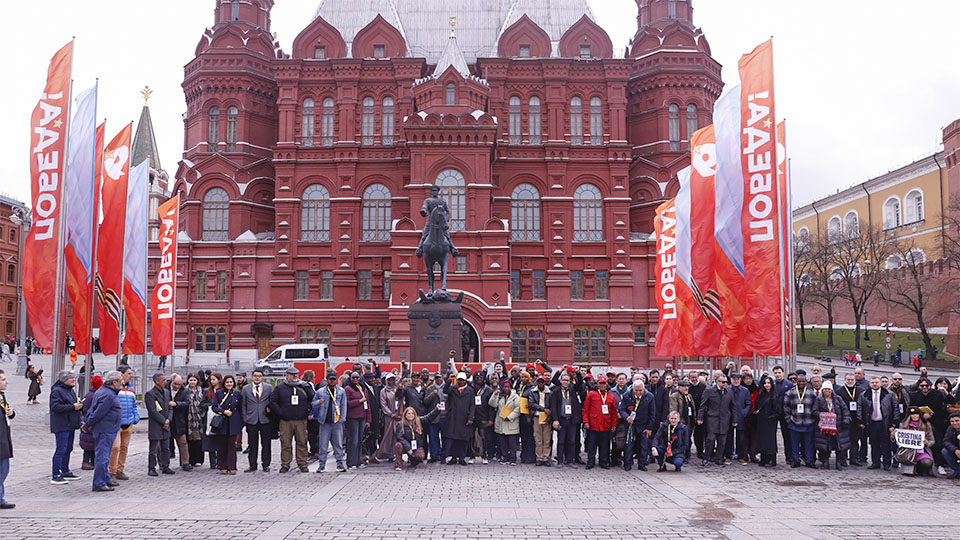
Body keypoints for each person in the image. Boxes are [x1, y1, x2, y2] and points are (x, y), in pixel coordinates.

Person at [269, 367, 315, 473]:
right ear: (287, 375)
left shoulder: (304, 386)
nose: (295, 376)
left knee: (302, 442)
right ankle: (285, 464)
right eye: (292, 374)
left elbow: (312, 398)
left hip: (301, 420)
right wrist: (281, 412)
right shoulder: (280, 388)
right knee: (286, 443)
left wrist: (307, 409)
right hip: (286, 421)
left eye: (296, 374)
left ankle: (303, 464)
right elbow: (272, 401)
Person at [86, 371, 122, 492]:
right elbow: (98, 412)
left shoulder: (104, 391)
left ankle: (105, 478)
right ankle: (99, 483)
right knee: (103, 457)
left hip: (107, 428)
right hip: (105, 429)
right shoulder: (108, 395)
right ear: (114, 382)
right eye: (120, 380)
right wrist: (88, 423)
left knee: (104, 455)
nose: (122, 382)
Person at [857, 376, 900, 470]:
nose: (874, 384)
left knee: (886, 444)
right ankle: (875, 462)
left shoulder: (889, 394)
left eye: (876, 382)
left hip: (885, 422)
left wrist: (895, 421)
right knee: (874, 443)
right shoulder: (864, 395)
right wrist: (860, 421)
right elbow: (859, 408)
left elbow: (895, 408)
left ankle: (886, 463)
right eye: (872, 382)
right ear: (869, 384)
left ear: (880, 383)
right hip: (871, 423)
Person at [49, 370, 83, 485]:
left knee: (68, 448)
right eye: (71, 378)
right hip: (61, 424)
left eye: (74, 377)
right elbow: (55, 406)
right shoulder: (57, 391)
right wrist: (72, 407)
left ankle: (65, 470)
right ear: (64, 379)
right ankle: (55, 474)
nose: (74, 379)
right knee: (61, 449)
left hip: (70, 424)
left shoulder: (70, 390)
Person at [312, 369, 347, 473]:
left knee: (338, 444)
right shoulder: (320, 391)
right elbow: (313, 404)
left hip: (336, 421)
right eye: (330, 379)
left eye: (334, 379)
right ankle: (322, 465)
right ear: (327, 380)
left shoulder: (341, 391)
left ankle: (340, 464)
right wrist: (319, 402)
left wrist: (342, 419)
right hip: (324, 422)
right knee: (323, 445)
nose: (332, 381)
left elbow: (344, 405)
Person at [698, 375, 737, 467]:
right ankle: (706, 458)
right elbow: (702, 405)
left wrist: (735, 420)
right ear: (717, 381)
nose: (725, 384)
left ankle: (718, 458)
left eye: (726, 382)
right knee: (710, 439)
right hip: (712, 419)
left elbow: (733, 407)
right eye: (723, 382)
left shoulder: (729, 392)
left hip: (724, 420)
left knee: (722, 441)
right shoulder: (709, 391)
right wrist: (700, 418)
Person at [109, 365, 140, 481]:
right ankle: (111, 471)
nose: (131, 376)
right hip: (117, 423)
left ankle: (120, 470)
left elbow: (134, 405)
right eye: (129, 373)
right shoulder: (115, 388)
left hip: (129, 422)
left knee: (124, 448)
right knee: (115, 448)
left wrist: (135, 417)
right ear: (121, 375)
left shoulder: (131, 389)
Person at [240, 369, 273, 472]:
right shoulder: (246, 389)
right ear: (252, 377)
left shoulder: (268, 388)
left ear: (262, 377)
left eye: (259, 376)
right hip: (251, 419)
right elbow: (243, 404)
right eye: (255, 376)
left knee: (266, 444)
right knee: (253, 444)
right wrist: (245, 418)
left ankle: (266, 464)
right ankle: (252, 465)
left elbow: (271, 401)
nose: (257, 378)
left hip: (265, 419)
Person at [583, 376, 618, 470]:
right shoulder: (591, 394)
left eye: (604, 384)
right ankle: (591, 461)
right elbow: (586, 409)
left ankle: (603, 461)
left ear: (606, 385)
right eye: (600, 384)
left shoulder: (611, 396)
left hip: (606, 425)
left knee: (605, 445)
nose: (602, 385)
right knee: (592, 445)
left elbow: (614, 412)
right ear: (597, 384)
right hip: (593, 425)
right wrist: (586, 421)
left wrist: (614, 424)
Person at [620, 379, 656, 471]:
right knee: (629, 444)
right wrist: (626, 417)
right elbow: (622, 409)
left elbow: (652, 413)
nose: (638, 392)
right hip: (631, 424)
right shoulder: (627, 395)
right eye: (636, 390)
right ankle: (628, 464)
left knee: (643, 445)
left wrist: (649, 428)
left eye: (640, 390)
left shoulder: (649, 396)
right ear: (633, 389)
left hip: (644, 424)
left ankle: (642, 464)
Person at [144, 373, 176, 477]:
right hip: (156, 424)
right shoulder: (150, 394)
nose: (165, 382)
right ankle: (151, 468)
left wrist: (168, 420)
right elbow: (153, 411)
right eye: (163, 380)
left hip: (166, 423)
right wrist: (163, 421)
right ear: (157, 381)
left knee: (166, 447)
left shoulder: (167, 392)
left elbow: (170, 406)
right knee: (153, 448)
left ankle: (165, 466)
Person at [783, 373, 818, 468]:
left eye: (803, 381)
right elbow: (786, 407)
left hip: (809, 422)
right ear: (796, 381)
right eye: (799, 381)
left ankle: (809, 460)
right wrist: (789, 419)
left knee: (809, 443)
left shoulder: (812, 393)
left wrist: (814, 419)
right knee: (794, 443)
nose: (801, 383)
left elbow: (815, 406)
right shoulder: (790, 393)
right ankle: (796, 460)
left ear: (806, 382)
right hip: (794, 421)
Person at [813, 382, 850, 470]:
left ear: (831, 390)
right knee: (826, 445)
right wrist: (823, 416)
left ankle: (838, 463)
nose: (827, 391)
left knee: (838, 445)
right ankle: (826, 462)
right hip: (825, 427)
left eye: (829, 389)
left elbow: (845, 409)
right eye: (825, 389)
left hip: (838, 426)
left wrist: (845, 419)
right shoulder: (819, 399)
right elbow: (814, 411)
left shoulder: (838, 399)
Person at [442, 371, 476, 466]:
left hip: (464, 418)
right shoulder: (453, 389)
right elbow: (445, 390)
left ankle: (462, 457)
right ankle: (453, 457)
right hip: (453, 418)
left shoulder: (470, 390)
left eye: (462, 380)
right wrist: (449, 380)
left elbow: (472, 405)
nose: (461, 382)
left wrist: (471, 417)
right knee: (453, 439)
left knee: (463, 439)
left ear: (465, 381)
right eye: (459, 380)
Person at [210, 374, 241, 474]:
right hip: (222, 422)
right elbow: (214, 407)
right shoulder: (219, 393)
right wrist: (223, 412)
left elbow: (240, 408)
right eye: (227, 382)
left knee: (232, 445)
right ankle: (222, 466)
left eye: (231, 382)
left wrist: (241, 422)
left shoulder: (237, 393)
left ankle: (232, 467)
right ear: (224, 383)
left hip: (233, 422)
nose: (229, 384)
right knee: (222, 445)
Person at [394, 406, 440, 471]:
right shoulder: (400, 424)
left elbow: (429, 417)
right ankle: (398, 464)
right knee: (398, 445)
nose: (410, 415)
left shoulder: (419, 421)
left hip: (416, 445)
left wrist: (437, 409)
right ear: (405, 415)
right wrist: (408, 448)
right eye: (408, 413)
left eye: (412, 413)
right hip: (405, 445)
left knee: (420, 456)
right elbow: (399, 437)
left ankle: (413, 460)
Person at [549, 372, 579, 467]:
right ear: (561, 381)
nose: (566, 382)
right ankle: (560, 460)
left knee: (572, 441)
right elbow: (553, 407)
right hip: (561, 419)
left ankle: (570, 460)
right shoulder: (556, 391)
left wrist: (577, 373)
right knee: (561, 441)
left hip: (571, 420)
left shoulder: (573, 391)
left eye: (567, 380)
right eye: (564, 380)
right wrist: (555, 419)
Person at [344, 371, 372, 470]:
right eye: (353, 377)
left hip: (362, 417)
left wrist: (368, 419)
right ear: (350, 379)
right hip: (352, 418)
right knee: (353, 441)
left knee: (360, 440)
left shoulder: (363, 388)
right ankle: (351, 462)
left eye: (357, 377)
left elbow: (368, 405)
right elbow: (346, 403)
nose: (355, 379)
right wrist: (358, 401)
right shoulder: (348, 389)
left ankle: (357, 461)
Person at [896, 406, 936, 477]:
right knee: (908, 472)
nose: (915, 416)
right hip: (907, 451)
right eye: (912, 414)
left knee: (927, 462)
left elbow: (932, 440)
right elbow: (898, 440)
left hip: (921, 451)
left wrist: (927, 442)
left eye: (917, 414)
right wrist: (894, 436)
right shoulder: (903, 425)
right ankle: (911, 469)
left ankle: (921, 469)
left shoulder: (926, 425)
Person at [489, 379, 521, 464]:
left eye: (508, 387)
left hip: (511, 422)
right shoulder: (500, 396)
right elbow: (492, 404)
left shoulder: (515, 397)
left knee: (512, 443)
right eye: (504, 387)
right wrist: (495, 395)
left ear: (511, 387)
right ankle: (505, 457)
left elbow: (518, 409)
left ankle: (513, 458)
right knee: (502, 442)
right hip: (501, 422)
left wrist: (510, 417)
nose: (506, 388)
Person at [753, 376, 781, 467]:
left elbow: (777, 410)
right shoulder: (761, 395)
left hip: (770, 421)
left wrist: (771, 417)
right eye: (765, 383)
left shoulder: (774, 395)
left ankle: (772, 459)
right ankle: (763, 458)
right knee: (762, 440)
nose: (766, 385)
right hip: (761, 421)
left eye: (768, 383)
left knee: (770, 440)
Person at [524, 375, 551, 467]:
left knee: (546, 439)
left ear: (545, 382)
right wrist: (543, 409)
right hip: (537, 417)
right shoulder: (532, 392)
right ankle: (539, 457)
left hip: (547, 417)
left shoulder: (549, 393)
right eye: (539, 382)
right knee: (538, 439)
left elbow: (552, 406)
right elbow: (531, 404)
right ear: (536, 383)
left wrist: (549, 418)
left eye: (542, 382)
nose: (541, 383)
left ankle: (545, 457)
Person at [771, 366, 795, 465]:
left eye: (779, 372)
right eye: (775, 373)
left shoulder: (789, 385)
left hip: (785, 413)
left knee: (787, 436)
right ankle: (772, 457)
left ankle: (789, 457)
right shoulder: (771, 384)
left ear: (783, 373)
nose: (777, 375)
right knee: (771, 436)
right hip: (774, 413)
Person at [79, 375, 103, 470]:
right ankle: (88, 461)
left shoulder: (88, 395)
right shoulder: (96, 396)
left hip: (86, 419)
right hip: (91, 422)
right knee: (91, 444)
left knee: (88, 444)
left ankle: (90, 461)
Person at [168, 374, 192, 471]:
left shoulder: (184, 390)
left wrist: (176, 404)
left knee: (183, 442)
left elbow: (187, 403)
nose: (177, 386)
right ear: (171, 381)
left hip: (179, 420)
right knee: (162, 444)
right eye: (175, 384)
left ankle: (185, 463)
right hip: (167, 420)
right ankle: (163, 463)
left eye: (179, 384)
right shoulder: (165, 389)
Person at [376, 373, 401, 462]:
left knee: (398, 435)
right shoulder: (383, 391)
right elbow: (384, 405)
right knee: (389, 435)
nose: (391, 381)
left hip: (399, 415)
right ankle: (390, 454)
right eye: (389, 380)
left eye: (392, 379)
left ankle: (398, 454)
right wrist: (391, 414)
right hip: (389, 417)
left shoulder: (397, 389)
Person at [185, 373, 208, 467]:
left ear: (198, 381)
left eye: (194, 380)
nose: (192, 382)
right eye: (191, 380)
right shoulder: (185, 391)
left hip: (199, 418)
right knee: (189, 440)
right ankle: (190, 460)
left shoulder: (202, 391)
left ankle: (199, 459)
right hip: (188, 418)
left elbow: (205, 403)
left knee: (199, 440)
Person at [0, 370, 14, 508]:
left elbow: (5, 412)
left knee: (4, 468)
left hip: (4, 437)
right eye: (3, 379)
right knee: (2, 469)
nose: (6, 382)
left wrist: (11, 413)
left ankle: (0, 498)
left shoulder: (1, 396)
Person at [941, 413, 960, 479]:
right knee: (945, 451)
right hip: (956, 450)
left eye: (957, 421)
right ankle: (957, 471)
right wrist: (955, 449)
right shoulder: (950, 429)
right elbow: (946, 441)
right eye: (952, 421)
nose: (954, 423)